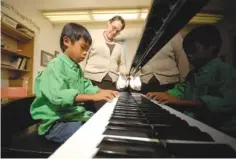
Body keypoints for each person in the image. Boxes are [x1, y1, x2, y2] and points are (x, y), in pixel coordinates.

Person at [30, 23, 118, 144]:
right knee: (93, 137)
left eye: (87, 49)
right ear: (66, 41)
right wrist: (93, 96)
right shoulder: (55, 65)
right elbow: (58, 95)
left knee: (103, 124)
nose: (85, 53)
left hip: (72, 117)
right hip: (56, 124)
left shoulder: (76, 67)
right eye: (83, 47)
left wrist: (102, 91)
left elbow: (86, 85)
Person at [147, 25, 236, 137]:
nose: (189, 55)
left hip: (221, 132)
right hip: (197, 125)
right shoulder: (193, 74)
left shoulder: (225, 71)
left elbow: (224, 103)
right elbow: (180, 90)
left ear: (211, 48)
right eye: (187, 51)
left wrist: (181, 103)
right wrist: (160, 94)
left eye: (194, 49)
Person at [80, 15, 127, 91]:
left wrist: (124, 71)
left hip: (111, 83)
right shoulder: (93, 38)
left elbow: (122, 64)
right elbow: (83, 57)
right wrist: (80, 77)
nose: (114, 32)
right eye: (113, 27)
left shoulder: (119, 46)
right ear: (108, 23)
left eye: (117, 31)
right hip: (91, 81)